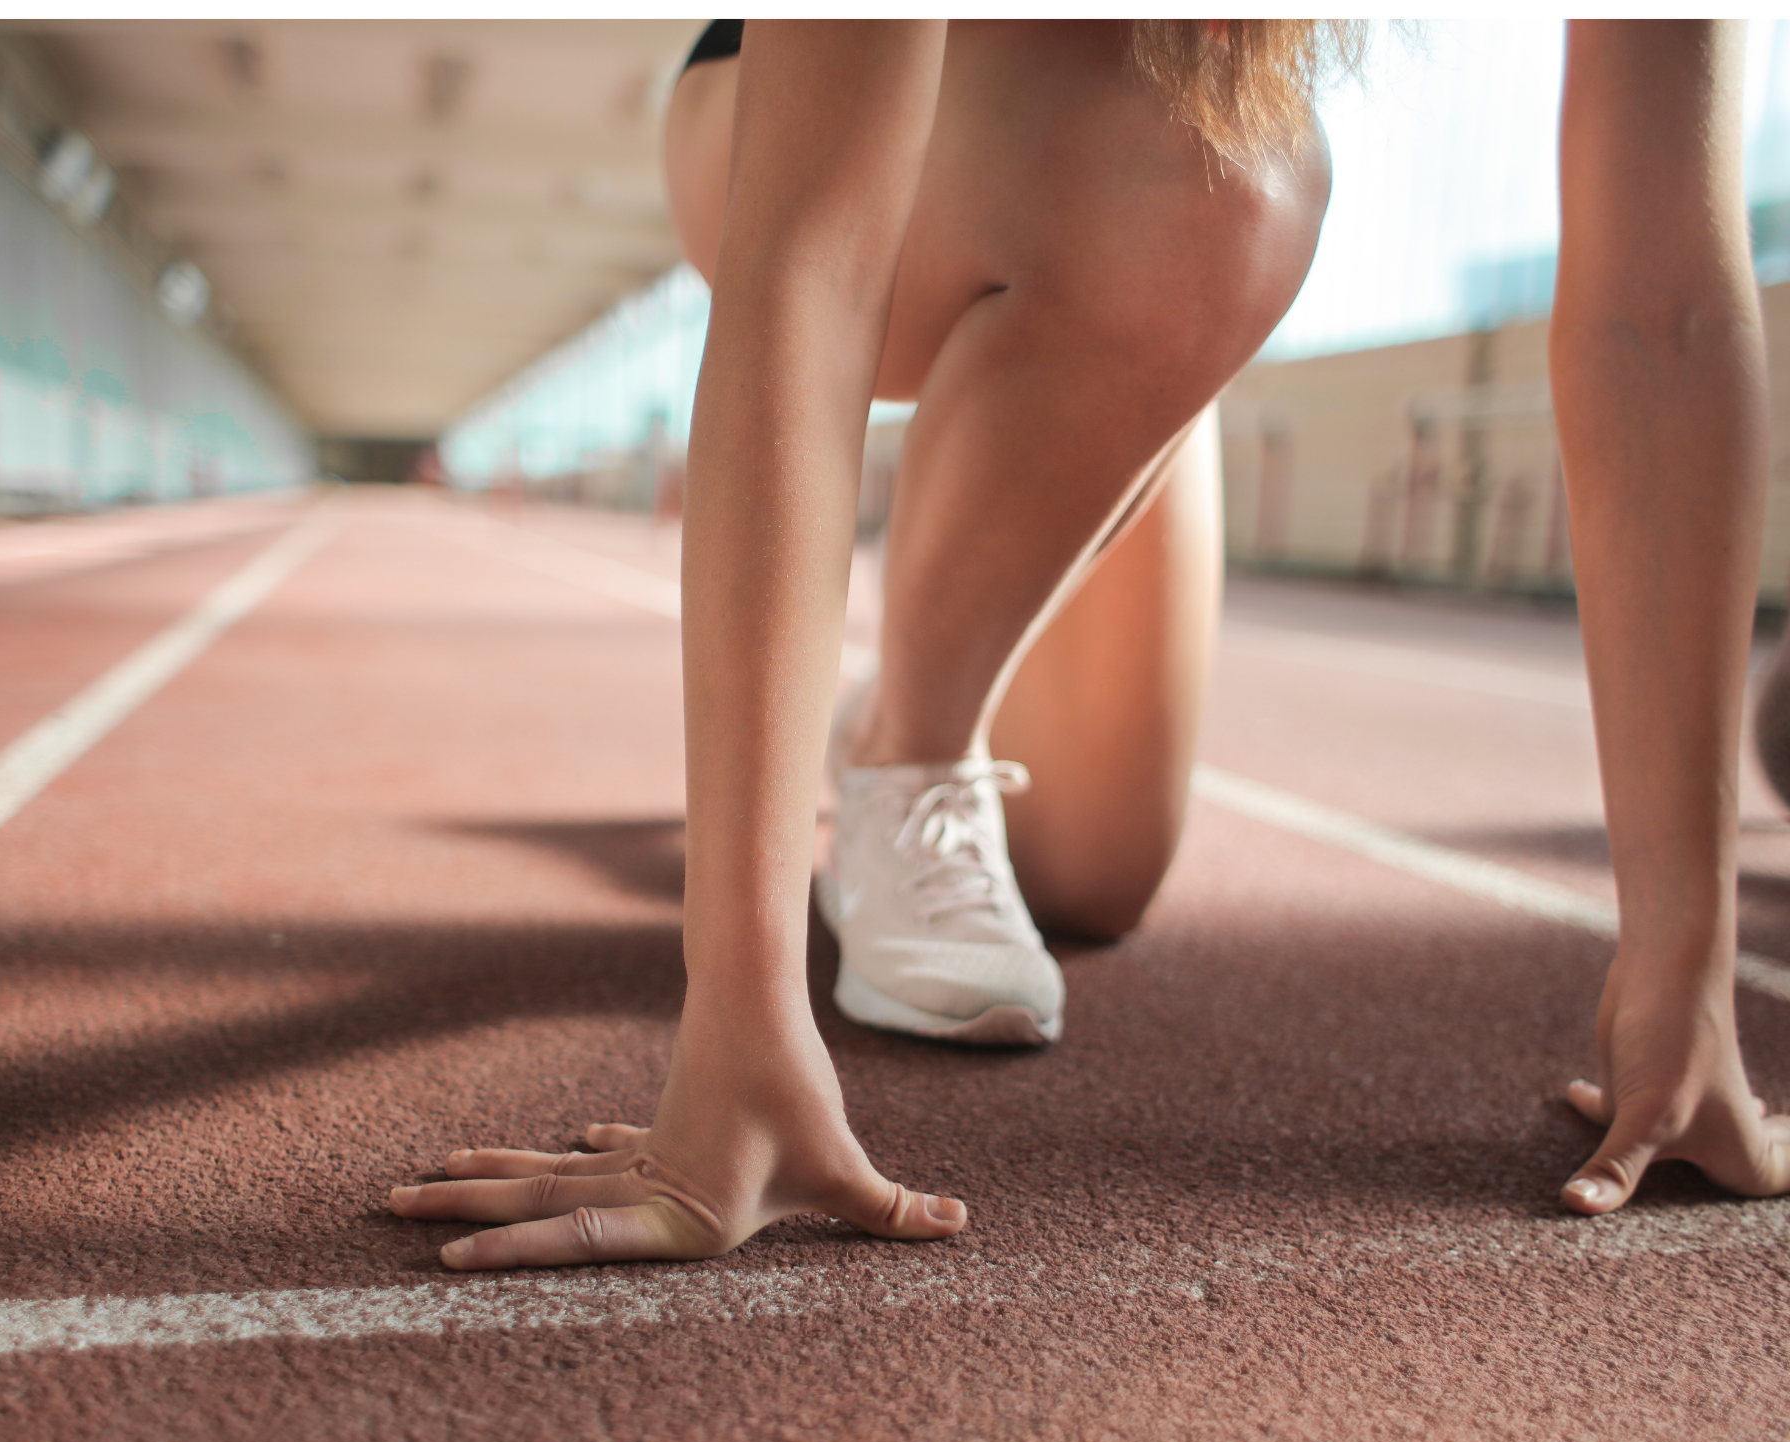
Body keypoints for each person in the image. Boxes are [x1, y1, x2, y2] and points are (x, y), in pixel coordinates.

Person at [390, 20, 1790, 1269]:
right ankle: (913, 748)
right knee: (1224, 173)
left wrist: (1686, 962)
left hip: (1162, 174)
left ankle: (1110, 369)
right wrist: (742, 1008)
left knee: (1092, 871)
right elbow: (812, 256)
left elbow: (1662, 311)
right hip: (800, 128)